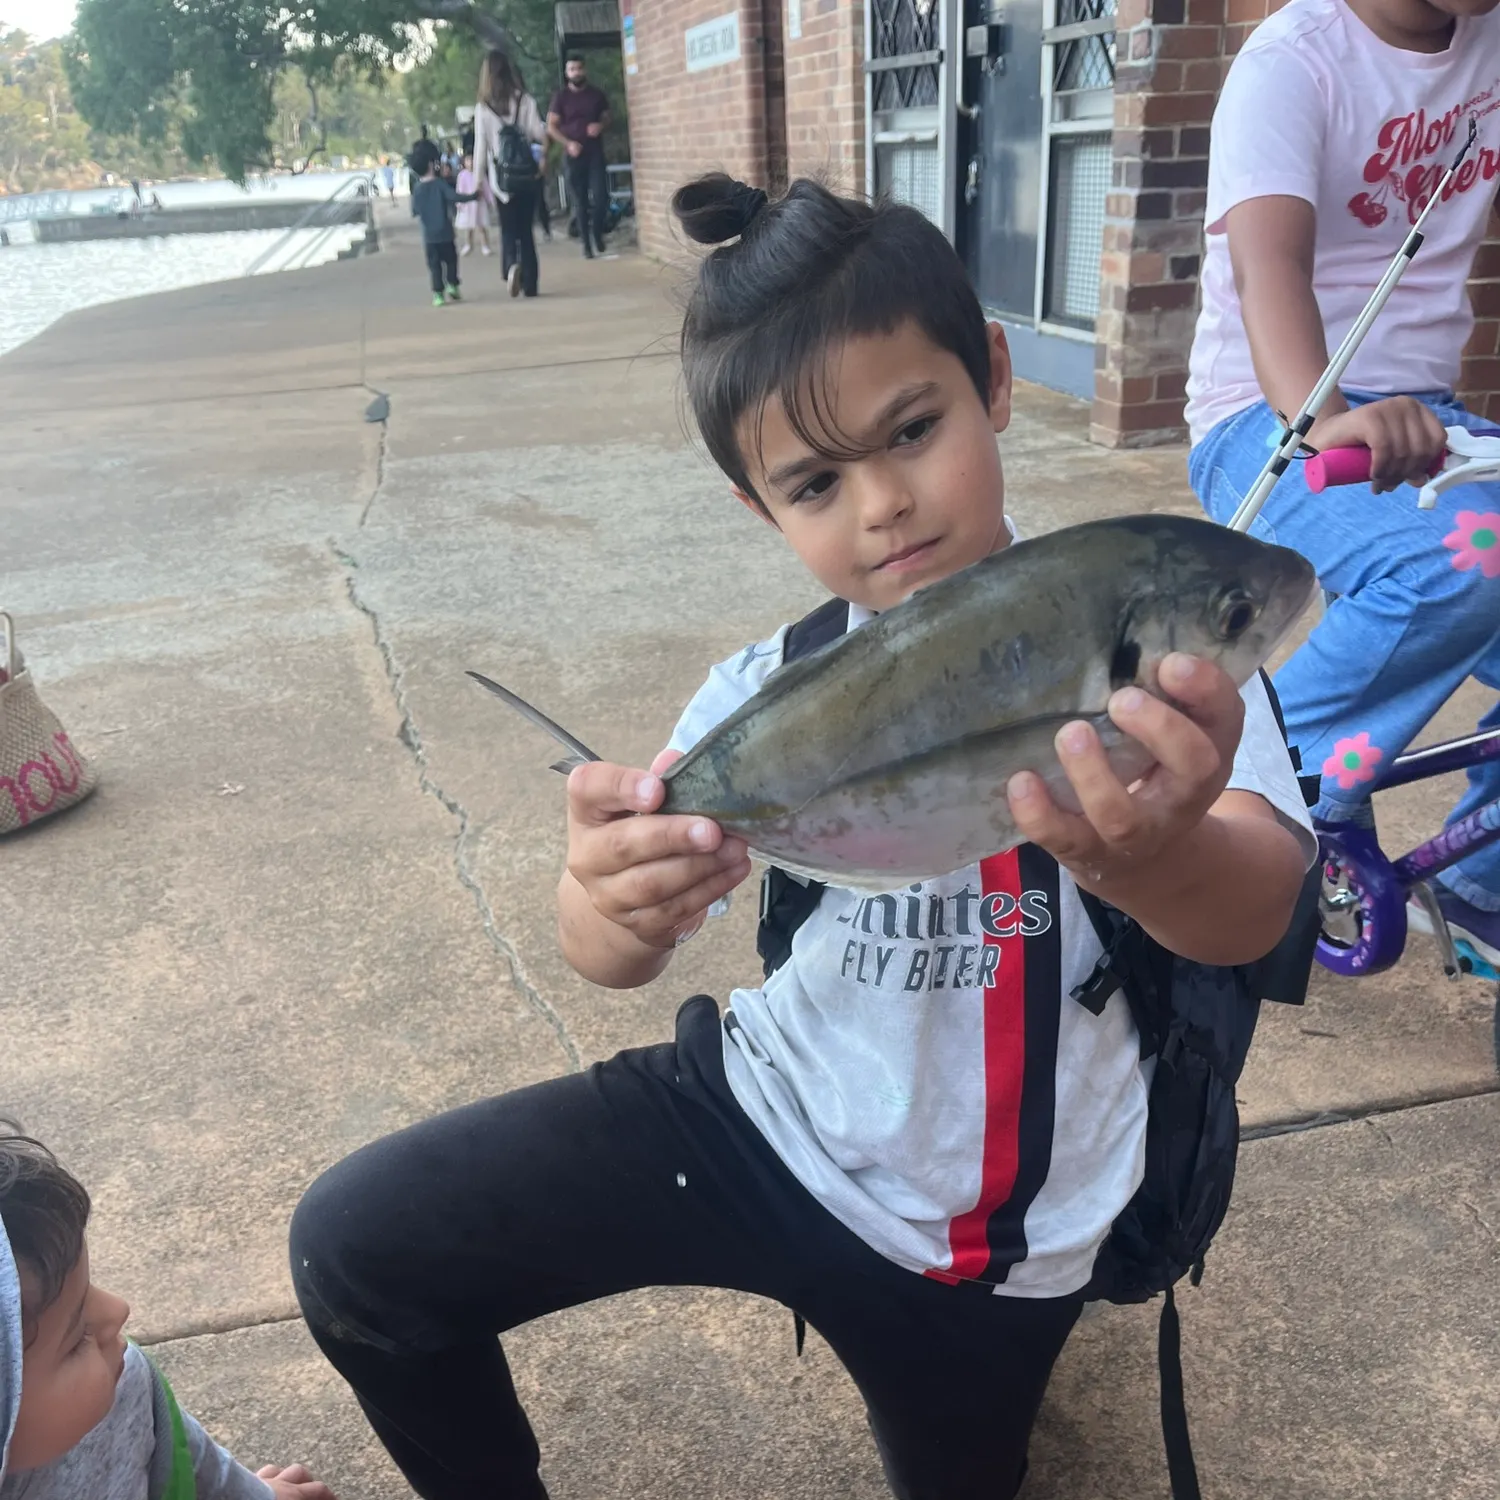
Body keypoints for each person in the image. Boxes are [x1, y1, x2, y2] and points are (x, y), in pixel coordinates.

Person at [290, 173, 1314, 1500]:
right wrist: (610, 895)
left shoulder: (1161, 647)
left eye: (913, 427)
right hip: (768, 1122)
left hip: (988, 1250)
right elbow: (608, 956)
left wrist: (1152, 857)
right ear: (756, 507)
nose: (883, 502)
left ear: (994, 376)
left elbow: (1258, 909)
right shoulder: (757, 696)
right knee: (359, 1246)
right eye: (816, 480)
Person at [1185, 0, 1500, 964]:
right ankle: (1253, 798)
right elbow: (1267, 264)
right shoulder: (1294, 63)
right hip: (1266, 415)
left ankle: (1478, 884)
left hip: (1425, 417)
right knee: (1469, 562)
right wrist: (1318, 420)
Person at [0, 1127, 337, 1500]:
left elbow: (191, 1462)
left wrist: (255, 1495)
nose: (117, 1311)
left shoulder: (121, 1382)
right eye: (77, 1337)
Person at [473, 50, 548, 299]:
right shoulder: (525, 100)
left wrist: (477, 182)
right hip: (526, 176)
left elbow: (480, 149)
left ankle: (510, 268)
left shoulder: (483, 109)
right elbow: (539, 133)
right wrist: (543, 155)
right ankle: (531, 285)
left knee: (508, 230)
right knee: (526, 232)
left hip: (501, 180)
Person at [547, 54, 610, 259]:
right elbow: (551, 127)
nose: (576, 72)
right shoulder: (561, 97)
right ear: (567, 73)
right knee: (580, 202)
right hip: (573, 155)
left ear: (585, 70)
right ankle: (586, 245)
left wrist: (600, 125)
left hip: (595, 153)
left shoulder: (596, 95)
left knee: (602, 198)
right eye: (572, 69)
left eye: (579, 68)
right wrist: (568, 143)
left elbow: (608, 117)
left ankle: (597, 233)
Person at [409, 140, 478, 307]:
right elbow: (454, 197)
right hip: (445, 233)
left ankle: (438, 294)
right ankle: (452, 285)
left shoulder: (417, 190)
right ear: (432, 164)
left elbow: (414, 212)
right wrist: (473, 196)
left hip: (429, 237)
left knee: (434, 266)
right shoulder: (439, 184)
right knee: (451, 261)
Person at [454, 152, 490, 257]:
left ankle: (485, 245)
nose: (471, 163)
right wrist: (459, 202)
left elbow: (486, 187)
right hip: (467, 204)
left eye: (473, 160)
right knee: (468, 227)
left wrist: (489, 200)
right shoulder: (462, 175)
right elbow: (459, 189)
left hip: (479, 203)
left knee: (481, 226)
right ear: (464, 162)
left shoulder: (480, 174)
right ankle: (468, 244)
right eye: (468, 160)